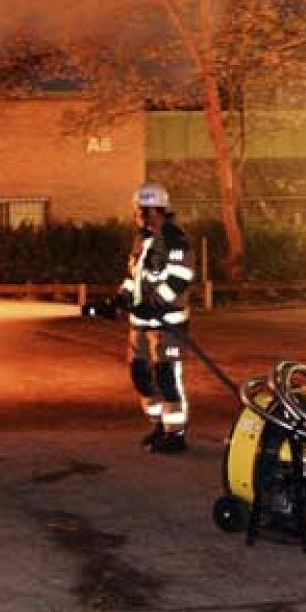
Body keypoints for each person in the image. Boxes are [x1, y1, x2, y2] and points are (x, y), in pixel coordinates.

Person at [116, 183, 195, 453]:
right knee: (140, 373)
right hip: (141, 321)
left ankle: (176, 434)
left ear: (152, 210)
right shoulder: (142, 238)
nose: (136, 214)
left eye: (140, 210)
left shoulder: (175, 238)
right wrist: (122, 297)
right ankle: (160, 424)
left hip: (168, 321)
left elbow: (179, 278)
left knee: (166, 374)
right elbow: (134, 276)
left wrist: (154, 303)